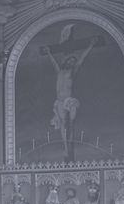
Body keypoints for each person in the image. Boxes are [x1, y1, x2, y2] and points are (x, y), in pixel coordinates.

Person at [42, 32, 98, 160]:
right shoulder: (60, 72)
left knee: (71, 124)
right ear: (66, 61)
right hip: (60, 102)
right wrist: (49, 52)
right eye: (70, 60)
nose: (72, 62)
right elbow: (54, 63)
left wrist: (91, 45)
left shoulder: (74, 71)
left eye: (73, 61)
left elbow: (83, 58)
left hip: (70, 101)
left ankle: (70, 144)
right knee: (63, 123)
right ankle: (66, 147)